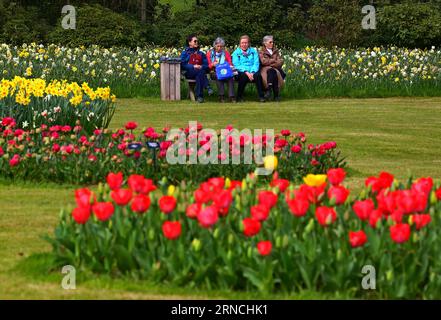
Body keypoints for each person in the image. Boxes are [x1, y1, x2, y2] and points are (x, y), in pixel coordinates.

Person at [232, 35, 265, 102]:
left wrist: (252, 72)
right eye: (242, 43)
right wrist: (247, 72)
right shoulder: (236, 53)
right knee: (243, 76)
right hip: (241, 71)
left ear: (248, 43)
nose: (244, 44)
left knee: (258, 76)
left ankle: (261, 97)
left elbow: (256, 63)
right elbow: (237, 65)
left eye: (246, 43)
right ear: (240, 44)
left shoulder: (253, 51)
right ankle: (239, 96)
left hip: (253, 71)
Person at [180, 34, 211, 103]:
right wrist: (193, 66)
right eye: (195, 41)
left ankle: (199, 97)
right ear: (189, 42)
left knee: (200, 72)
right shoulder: (185, 53)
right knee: (200, 72)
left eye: (197, 41)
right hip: (189, 72)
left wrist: (201, 66)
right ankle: (207, 86)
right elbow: (182, 64)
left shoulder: (201, 53)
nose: (197, 42)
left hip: (199, 72)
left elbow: (206, 65)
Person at [206, 37, 236, 103]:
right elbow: (207, 66)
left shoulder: (226, 53)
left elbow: (230, 63)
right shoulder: (209, 54)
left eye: (221, 46)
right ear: (214, 46)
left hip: (225, 71)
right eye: (218, 46)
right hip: (214, 71)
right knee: (218, 76)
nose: (219, 48)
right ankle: (221, 96)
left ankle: (231, 96)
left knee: (230, 77)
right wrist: (213, 64)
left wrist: (227, 65)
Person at [259, 35, 286, 102]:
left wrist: (271, 62)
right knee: (272, 72)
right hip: (265, 69)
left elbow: (280, 61)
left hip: (275, 68)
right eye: (270, 42)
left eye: (272, 42)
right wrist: (273, 60)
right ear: (265, 43)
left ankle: (269, 90)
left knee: (276, 72)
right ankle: (276, 95)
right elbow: (263, 62)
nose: (272, 44)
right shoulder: (261, 52)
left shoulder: (275, 51)